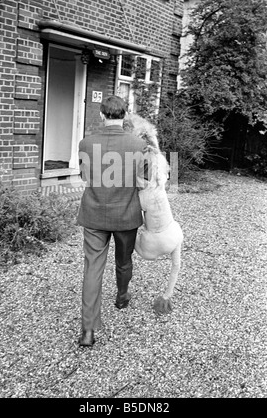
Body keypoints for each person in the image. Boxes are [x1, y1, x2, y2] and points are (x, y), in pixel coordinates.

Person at [77, 95, 147, 347]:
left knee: (92, 268)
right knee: (124, 259)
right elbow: (142, 182)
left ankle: (87, 330)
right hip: (126, 214)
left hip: (94, 214)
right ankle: (121, 296)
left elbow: (84, 176)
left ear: (102, 115)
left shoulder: (85, 143)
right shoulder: (138, 145)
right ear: (125, 115)